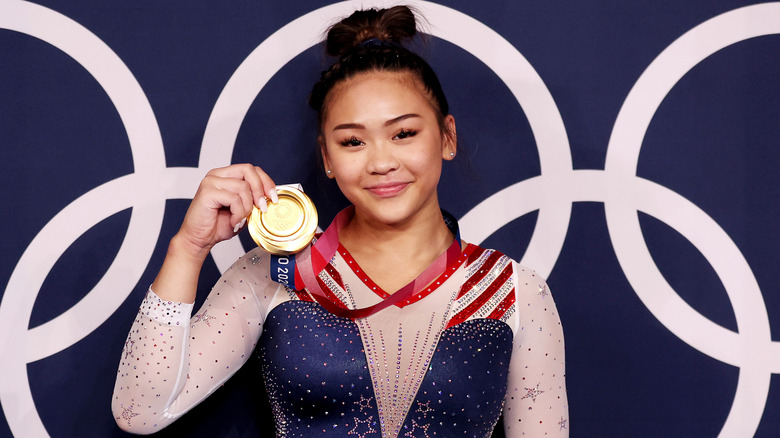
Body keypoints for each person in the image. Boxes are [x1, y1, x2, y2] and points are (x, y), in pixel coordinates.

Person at [112, 5, 568, 437]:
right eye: (353, 142)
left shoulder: (514, 291)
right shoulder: (275, 273)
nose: (382, 162)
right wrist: (187, 249)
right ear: (327, 158)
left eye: (404, 133)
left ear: (447, 137)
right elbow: (140, 412)